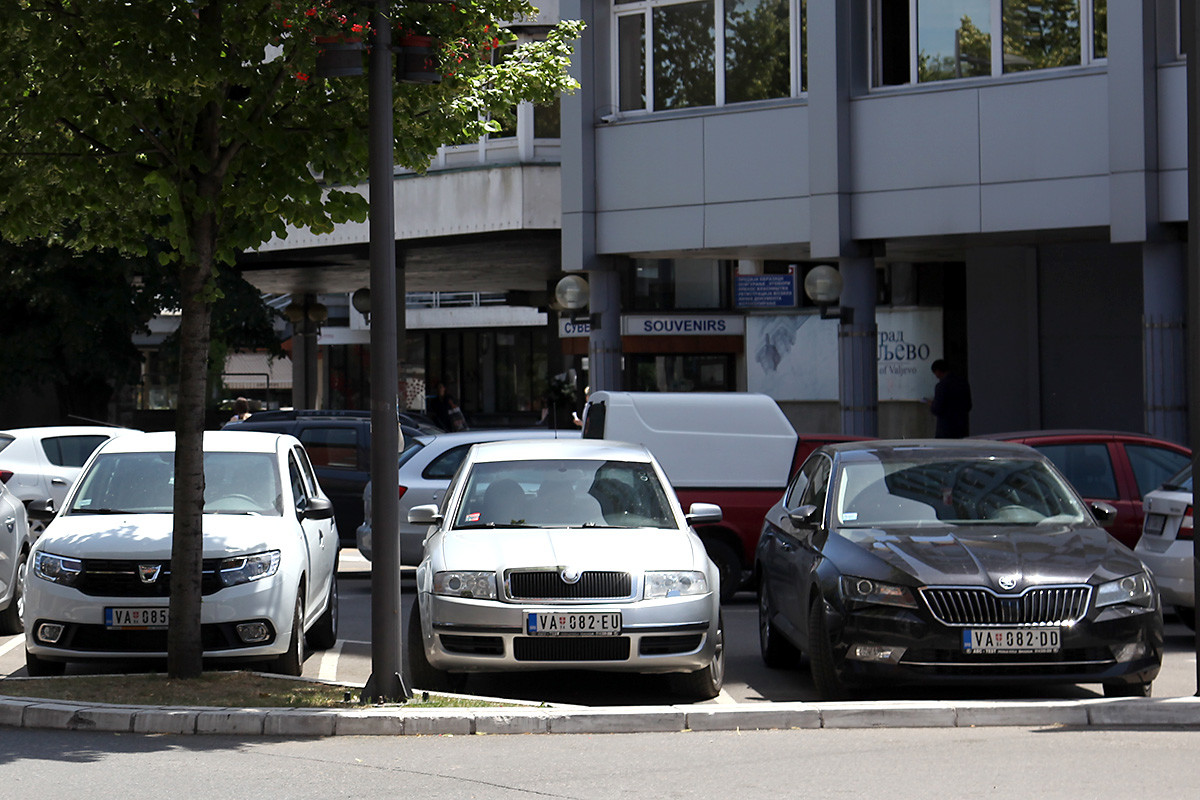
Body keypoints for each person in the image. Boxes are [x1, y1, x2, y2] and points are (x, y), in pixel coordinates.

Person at [928, 359, 972, 438]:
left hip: (946, 429)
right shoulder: (963, 383)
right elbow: (968, 405)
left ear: (938, 371)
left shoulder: (941, 386)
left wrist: (932, 404)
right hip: (961, 426)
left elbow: (937, 408)